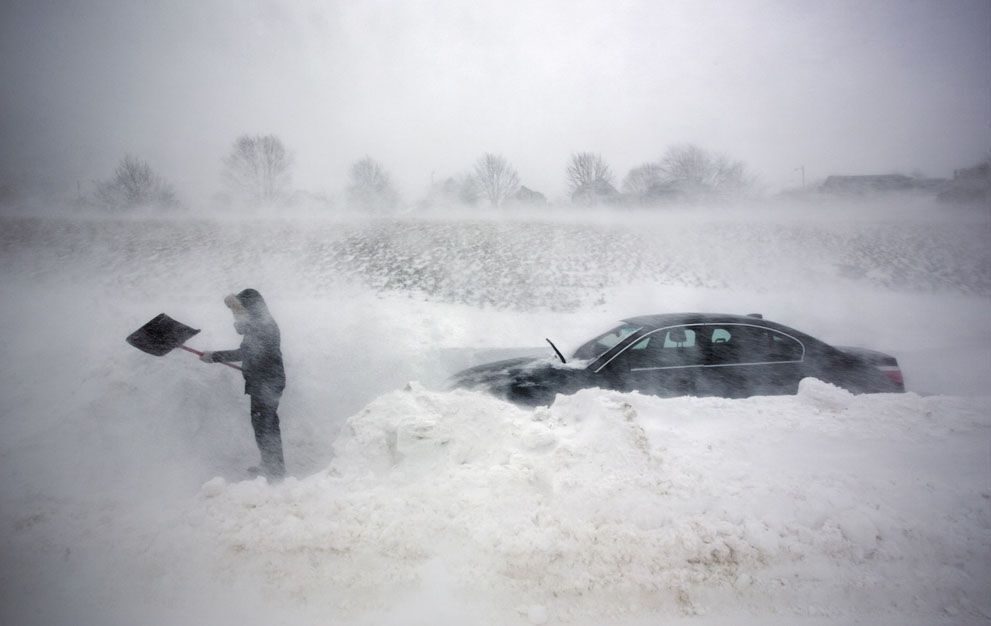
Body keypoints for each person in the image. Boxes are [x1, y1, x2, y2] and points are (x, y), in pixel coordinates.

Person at [200, 288, 286, 479]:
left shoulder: (263, 326)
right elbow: (245, 339)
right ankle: (271, 466)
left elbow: (245, 353)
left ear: (251, 308)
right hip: (264, 380)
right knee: (264, 425)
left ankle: (275, 471)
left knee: (265, 426)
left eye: (242, 308)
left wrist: (214, 356)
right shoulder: (259, 323)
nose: (239, 313)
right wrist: (235, 309)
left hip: (267, 382)